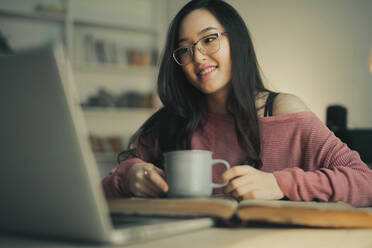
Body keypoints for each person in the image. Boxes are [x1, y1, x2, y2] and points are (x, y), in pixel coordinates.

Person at [102, 0, 372, 207]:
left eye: (209, 40)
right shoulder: (170, 122)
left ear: (237, 42)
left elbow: (365, 181)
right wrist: (130, 176)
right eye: (184, 49)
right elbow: (101, 193)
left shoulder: (281, 112)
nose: (197, 56)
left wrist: (280, 184)